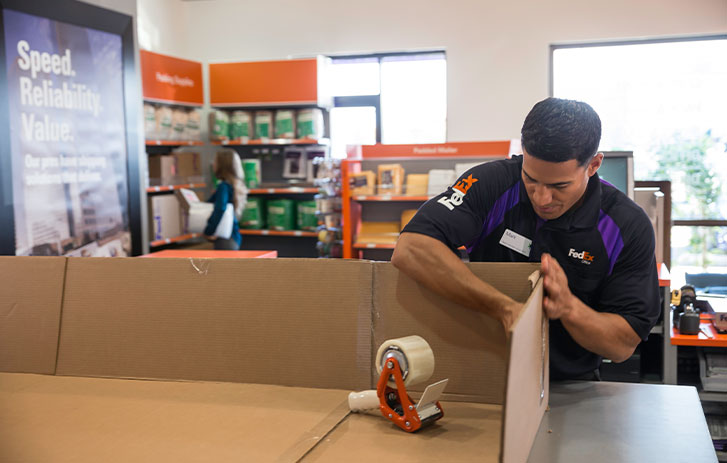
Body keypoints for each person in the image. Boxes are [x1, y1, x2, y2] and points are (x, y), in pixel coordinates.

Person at [391, 97, 660, 381]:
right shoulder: (492, 183)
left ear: (593, 165)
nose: (542, 199)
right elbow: (410, 249)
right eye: (531, 179)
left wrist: (569, 308)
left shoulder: (627, 225)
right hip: (481, 379)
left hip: (569, 388)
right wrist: (504, 309)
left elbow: (622, 346)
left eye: (559, 186)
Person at [204, 149, 247, 250]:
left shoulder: (223, 186)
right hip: (232, 236)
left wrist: (209, 230)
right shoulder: (233, 184)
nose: (213, 164)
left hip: (225, 237)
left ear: (222, 165)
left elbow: (220, 208)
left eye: (215, 161)